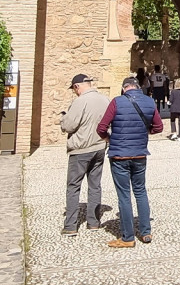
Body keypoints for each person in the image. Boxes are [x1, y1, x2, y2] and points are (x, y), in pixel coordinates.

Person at [96, 77, 163, 247]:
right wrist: (145, 132)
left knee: (124, 195)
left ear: (124, 88)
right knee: (140, 191)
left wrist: (109, 139)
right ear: (138, 87)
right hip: (140, 154)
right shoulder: (149, 101)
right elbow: (159, 127)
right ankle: (146, 232)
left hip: (119, 155)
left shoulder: (117, 102)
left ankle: (128, 237)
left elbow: (101, 128)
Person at [60, 73, 109, 235]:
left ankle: (71, 225)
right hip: (100, 147)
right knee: (95, 185)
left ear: (77, 86)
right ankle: (93, 222)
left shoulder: (79, 102)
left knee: (73, 186)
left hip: (81, 149)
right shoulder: (104, 100)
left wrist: (63, 118)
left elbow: (69, 125)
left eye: (74, 89)